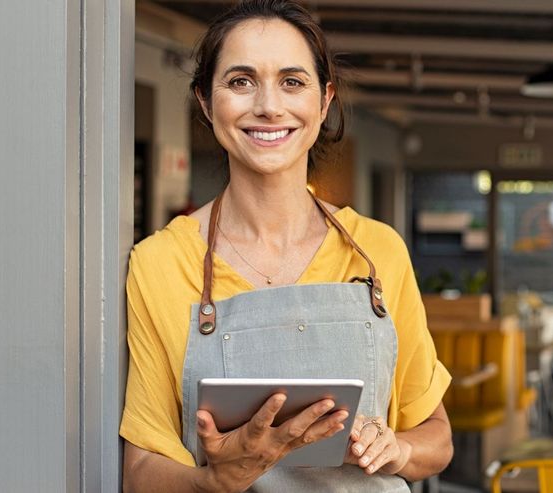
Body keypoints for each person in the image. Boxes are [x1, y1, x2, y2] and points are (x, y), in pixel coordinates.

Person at [119, 2, 452, 491]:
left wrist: (398, 449)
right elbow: (140, 471)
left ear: (324, 101)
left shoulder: (377, 250)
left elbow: (437, 438)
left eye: (292, 82)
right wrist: (213, 482)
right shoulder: (162, 263)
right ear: (207, 103)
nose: (269, 106)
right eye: (241, 81)